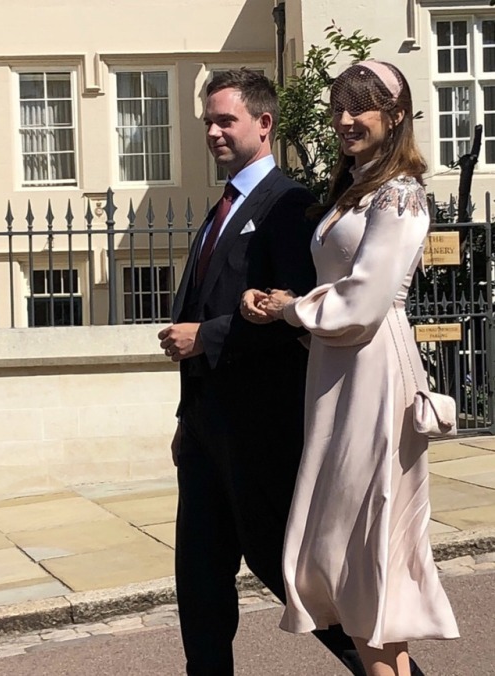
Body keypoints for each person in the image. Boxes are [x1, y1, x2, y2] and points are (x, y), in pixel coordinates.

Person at [158, 68, 381, 676]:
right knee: (199, 586)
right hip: (206, 428)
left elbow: (299, 310)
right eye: (208, 121)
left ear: (264, 123)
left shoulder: (290, 204)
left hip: (260, 430)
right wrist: (187, 417)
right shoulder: (219, 210)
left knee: (293, 575)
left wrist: (207, 336)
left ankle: (386, 669)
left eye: (225, 120)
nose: (213, 132)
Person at [241, 60, 458, 676]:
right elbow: (337, 293)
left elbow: (363, 302)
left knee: (367, 548)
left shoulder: (401, 193)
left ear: (395, 115)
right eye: (337, 106)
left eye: (358, 106)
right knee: (352, 559)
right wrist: (283, 308)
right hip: (337, 369)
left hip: (372, 373)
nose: (343, 119)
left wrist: (291, 309)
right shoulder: (358, 190)